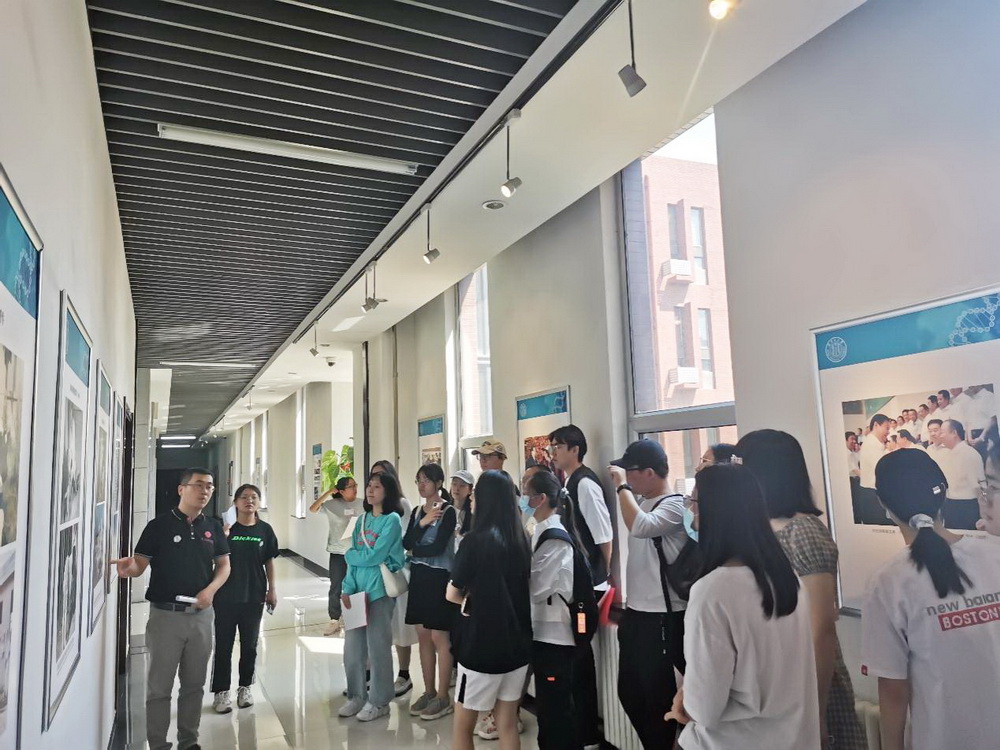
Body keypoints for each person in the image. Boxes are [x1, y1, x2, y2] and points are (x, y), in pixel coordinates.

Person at [667, 463, 820, 749]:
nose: (690, 509)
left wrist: (685, 700)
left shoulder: (712, 591)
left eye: (693, 501)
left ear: (713, 512)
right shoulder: (789, 581)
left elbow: (705, 709)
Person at [735, 430, 866, 749]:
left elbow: (821, 629)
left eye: (741, 464)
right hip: (772, 680)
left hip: (805, 684)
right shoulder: (761, 528)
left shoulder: (803, 532)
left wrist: (815, 712)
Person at [864, 449, 1000, 750]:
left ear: (883, 504)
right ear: (944, 491)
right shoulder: (994, 554)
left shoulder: (888, 582)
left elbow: (893, 688)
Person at [112, 468, 230, 750]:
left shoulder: (213, 527)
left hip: (201, 617)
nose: (205, 491)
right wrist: (130, 568)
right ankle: (158, 744)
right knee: (159, 688)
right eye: (198, 485)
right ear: (181, 489)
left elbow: (224, 565)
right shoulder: (159, 526)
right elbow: (139, 565)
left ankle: (189, 741)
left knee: (194, 685)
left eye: (209, 486)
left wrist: (210, 591)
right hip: (165, 617)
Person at [607, 440, 687, 748]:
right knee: (629, 693)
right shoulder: (642, 502)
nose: (627, 477)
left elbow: (641, 526)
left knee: (657, 701)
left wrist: (621, 487)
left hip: (664, 617)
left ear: (649, 473)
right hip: (637, 615)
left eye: (631, 472)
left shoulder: (675, 505)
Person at [447, 470, 533, 750]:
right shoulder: (521, 540)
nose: (471, 498)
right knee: (506, 723)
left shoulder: (474, 541)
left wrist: (471, 600)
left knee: (463, 727)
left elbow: (452, 593)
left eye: (475, 494)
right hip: (517, 645)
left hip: (481, 647)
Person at [547, 425, 612, 750]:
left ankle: (587, 735)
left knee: (580, 661)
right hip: (574, 584)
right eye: (552, 447)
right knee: (573, 660)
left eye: (558, 446)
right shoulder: (568, 483)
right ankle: (579, 730)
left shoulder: (585, 483)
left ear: (575, 449)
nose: (553, 453)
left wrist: (604, 577)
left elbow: (603, 536)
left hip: (588, 590)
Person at [338, 470, 406, 722]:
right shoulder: (362, 520)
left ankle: (379, 701)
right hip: (356, 593)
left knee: (378, 649)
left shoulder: (392, 520)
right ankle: (356, 696)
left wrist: (351, 556)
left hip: (379, 593)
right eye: (369, 485)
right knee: (352, 650)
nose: (370, 490)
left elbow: (376, 555)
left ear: (387, 492)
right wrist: (346, 587)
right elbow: (355, 559)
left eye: (377, 486)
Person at [524, 468, 585, 750]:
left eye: (527, 493)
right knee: (549, 710)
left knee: (556, 711)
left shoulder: (555, 537)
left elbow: (537, 588)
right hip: (543, 633)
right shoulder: (542, 530)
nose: (523, 499)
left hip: (555, 637)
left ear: (541, 499)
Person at [211, 484, 279, 714]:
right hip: (225, 594)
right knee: (224, 644)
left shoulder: (265, 530)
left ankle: (245, 688)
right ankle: (221, 691)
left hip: (254, 594)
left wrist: (272, 589)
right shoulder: (225, 529)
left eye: (254, 497)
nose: (249, 501)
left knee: (250, 645)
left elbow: (269, 561)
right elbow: (212, 557)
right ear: (236, 503)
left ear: (259, 502)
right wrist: (224, 535)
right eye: (244, 497)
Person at [403, 463, 458, 721]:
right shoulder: (417, 512)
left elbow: (437, 547)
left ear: (438, 483)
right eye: (418, 480)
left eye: (426, 480)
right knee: (423, 635)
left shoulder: (448, 511)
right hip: (419, 576)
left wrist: (414, 550)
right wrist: (423, 523)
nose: (421, 485)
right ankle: (429, 691)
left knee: (439, 637)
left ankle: (443, 696)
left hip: (439, 577)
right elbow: (405, 542)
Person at [370, 460, 417, 697]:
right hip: (372, 575)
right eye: (372, 478)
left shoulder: (401, 505)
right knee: (376, 627)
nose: (375, 483)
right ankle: (374, 675)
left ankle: (404, 674)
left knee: (399, 626)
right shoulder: (370, 508)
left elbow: (403, 540)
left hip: (395, 572)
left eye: (381, 477)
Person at [309, 475, 360, 636]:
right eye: (351, 486)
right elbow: (313, 509)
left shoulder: (362, 504)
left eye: (355, 485)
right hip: (338, 552)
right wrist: (328, 492)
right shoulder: (332, 505)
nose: (355, 488)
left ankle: (355, 619)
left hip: (357, 552)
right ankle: (334, 619)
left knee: (356, 585)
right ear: (342, 491)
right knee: (336, 586)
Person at [936, 419, 984, 529]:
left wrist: (983, 514)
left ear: (954, 433)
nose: (940, 435)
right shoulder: (949, 454)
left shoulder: (969, 454)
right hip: (951, 505)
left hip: (966, 508)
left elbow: (979, 487)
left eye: (942, 432)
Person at [857, 414, 893, 525]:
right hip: (872, 495)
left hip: (873, 493)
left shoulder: (876, 443)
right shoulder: (871, 444)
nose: (888, 432)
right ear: (876, 425)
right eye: (887, 428)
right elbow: (883, 469)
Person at [450, 469, 475, 549]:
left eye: (462, 485)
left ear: (470, 490)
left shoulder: (472, 513)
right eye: (454, 484)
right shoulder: (445, 509)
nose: (457, 488)